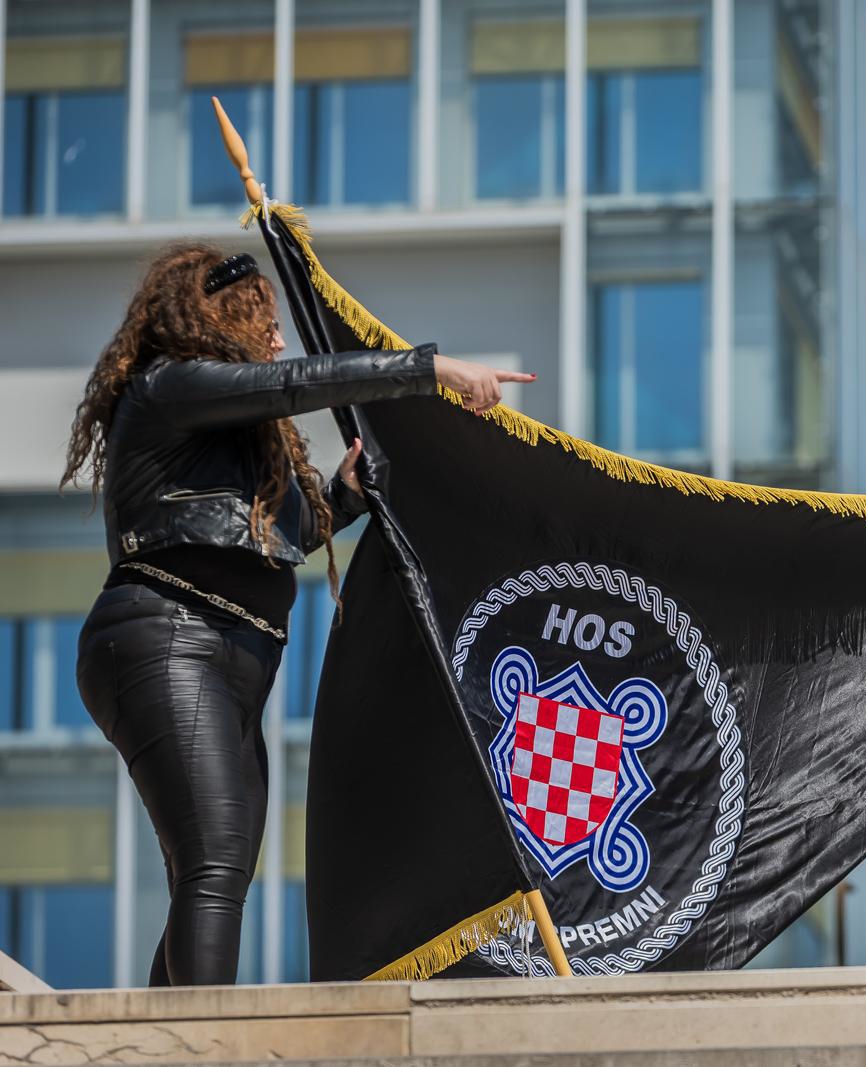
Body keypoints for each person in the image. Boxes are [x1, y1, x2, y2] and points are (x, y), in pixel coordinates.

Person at [63, 244, 533, 986]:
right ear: (215, 321)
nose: (278, 339)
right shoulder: (168, 388)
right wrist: (431, 369)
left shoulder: (233, 444)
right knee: (215, 858)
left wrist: (342, 498)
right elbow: (294, 382)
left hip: (233, 660)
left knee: (218, 866)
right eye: (262, 322)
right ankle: (203, 1044)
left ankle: (167, 1035)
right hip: (166, 637)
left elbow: (276, 543)